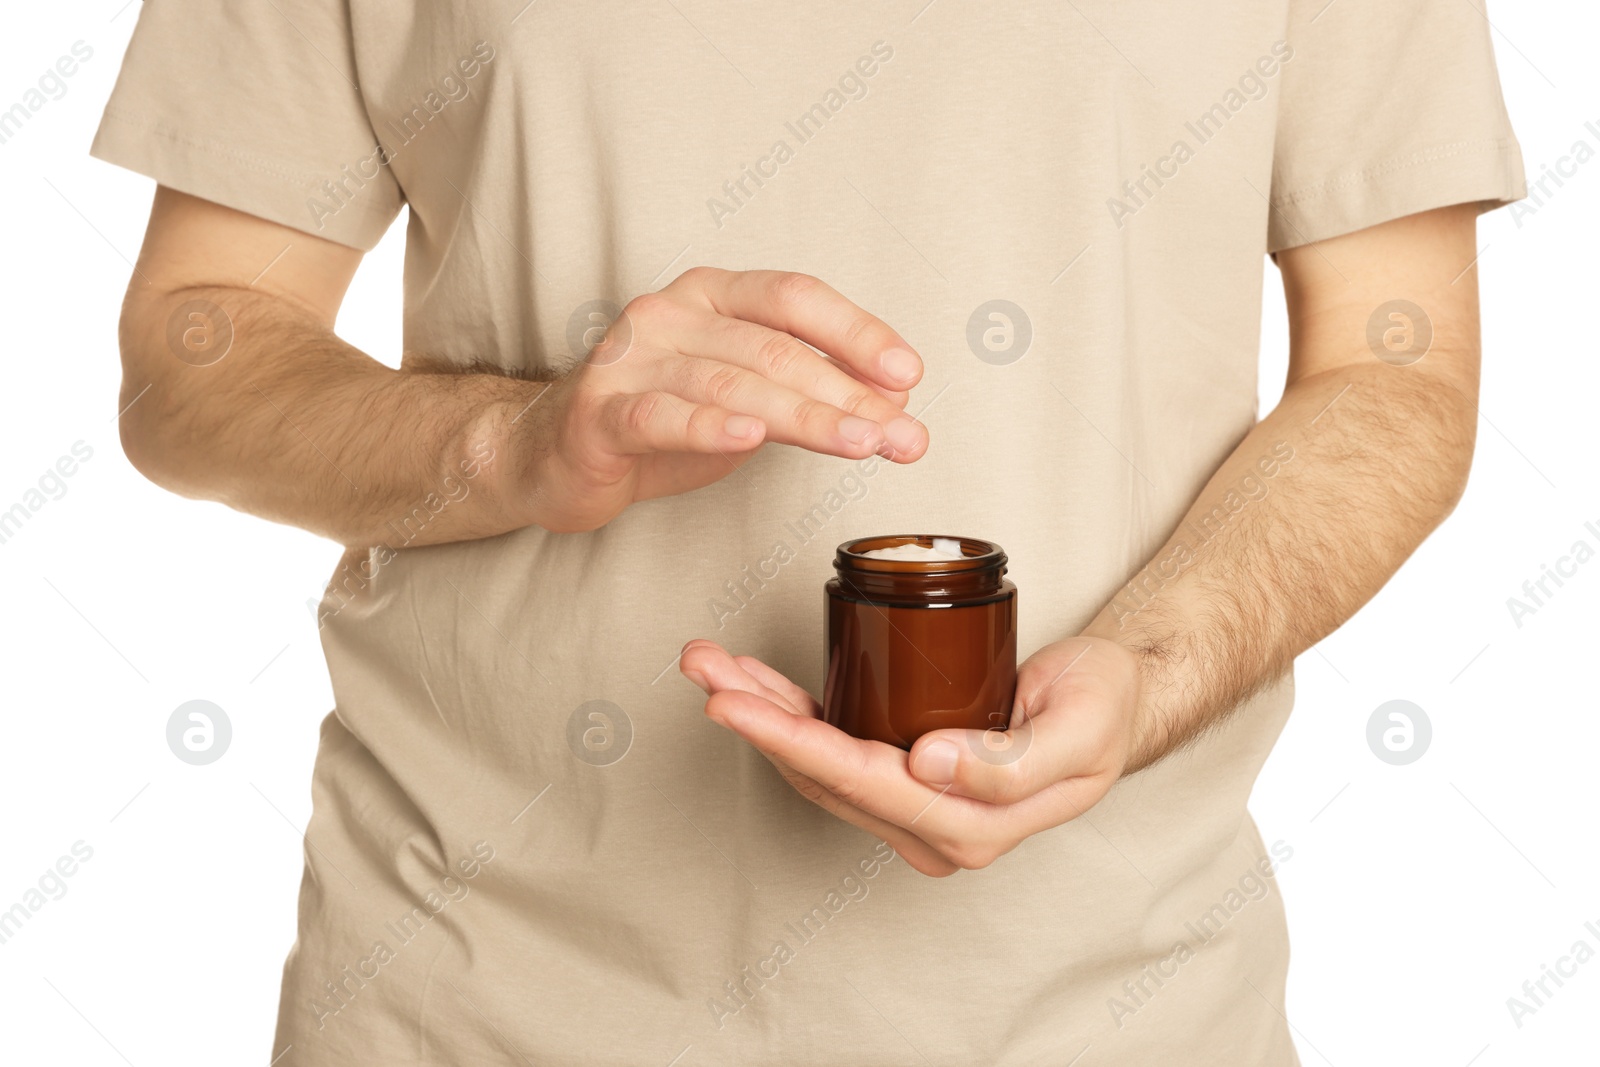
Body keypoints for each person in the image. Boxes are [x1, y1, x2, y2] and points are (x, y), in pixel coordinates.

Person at [94, 1, 1523, 1063]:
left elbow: (1393, 375)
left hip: (1112, 1012)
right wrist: (513, 442)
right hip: (467, 998)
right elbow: (196, 347)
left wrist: (1150, 671)